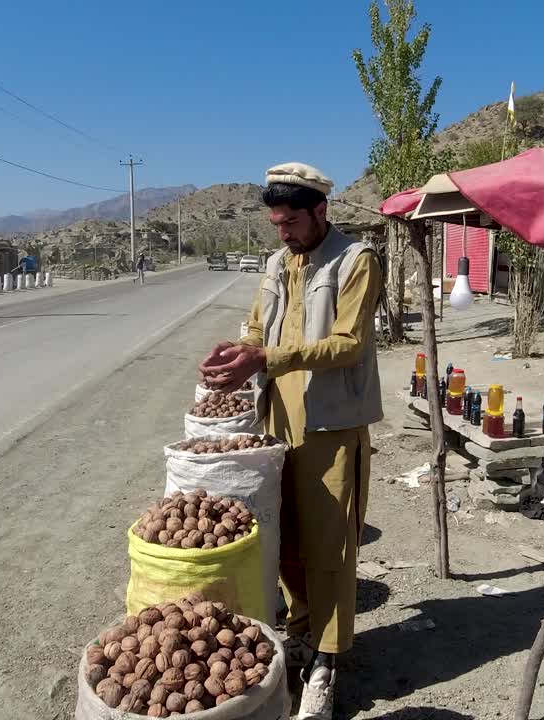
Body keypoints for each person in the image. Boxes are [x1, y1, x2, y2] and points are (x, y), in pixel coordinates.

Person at [198, 162, 382, 720]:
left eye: (292, 222)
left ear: (321, 210)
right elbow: (259, 327)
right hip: (277, 422)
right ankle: (301, 630)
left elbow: (348, 345)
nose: (283, 233)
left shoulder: (357, 260)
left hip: (330, 425)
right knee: (286, 543)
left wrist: (268, 357)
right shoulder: (278, 262)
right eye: (276, 223)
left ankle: (326, 661)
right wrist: (237, 351)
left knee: (330, 548)